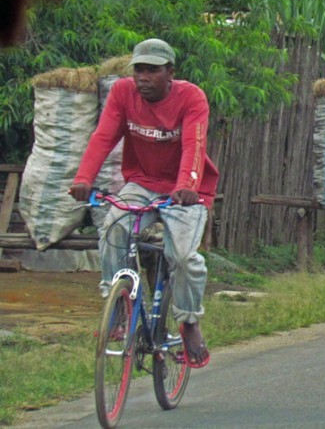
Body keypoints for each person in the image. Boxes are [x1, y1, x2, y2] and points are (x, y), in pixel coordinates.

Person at [69, 38, 219, 369]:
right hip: (141, 182)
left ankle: (190, 322)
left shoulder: (191, 97)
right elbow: (103, 136)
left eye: (152, 71)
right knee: (112, 227)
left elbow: (194, 143)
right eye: (139, 70)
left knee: (182, 256)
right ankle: (118, 307)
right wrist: (83, 178)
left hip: (187, 190)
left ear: (170, 73)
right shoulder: (122, 93)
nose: (143, 78)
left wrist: (187, 186)